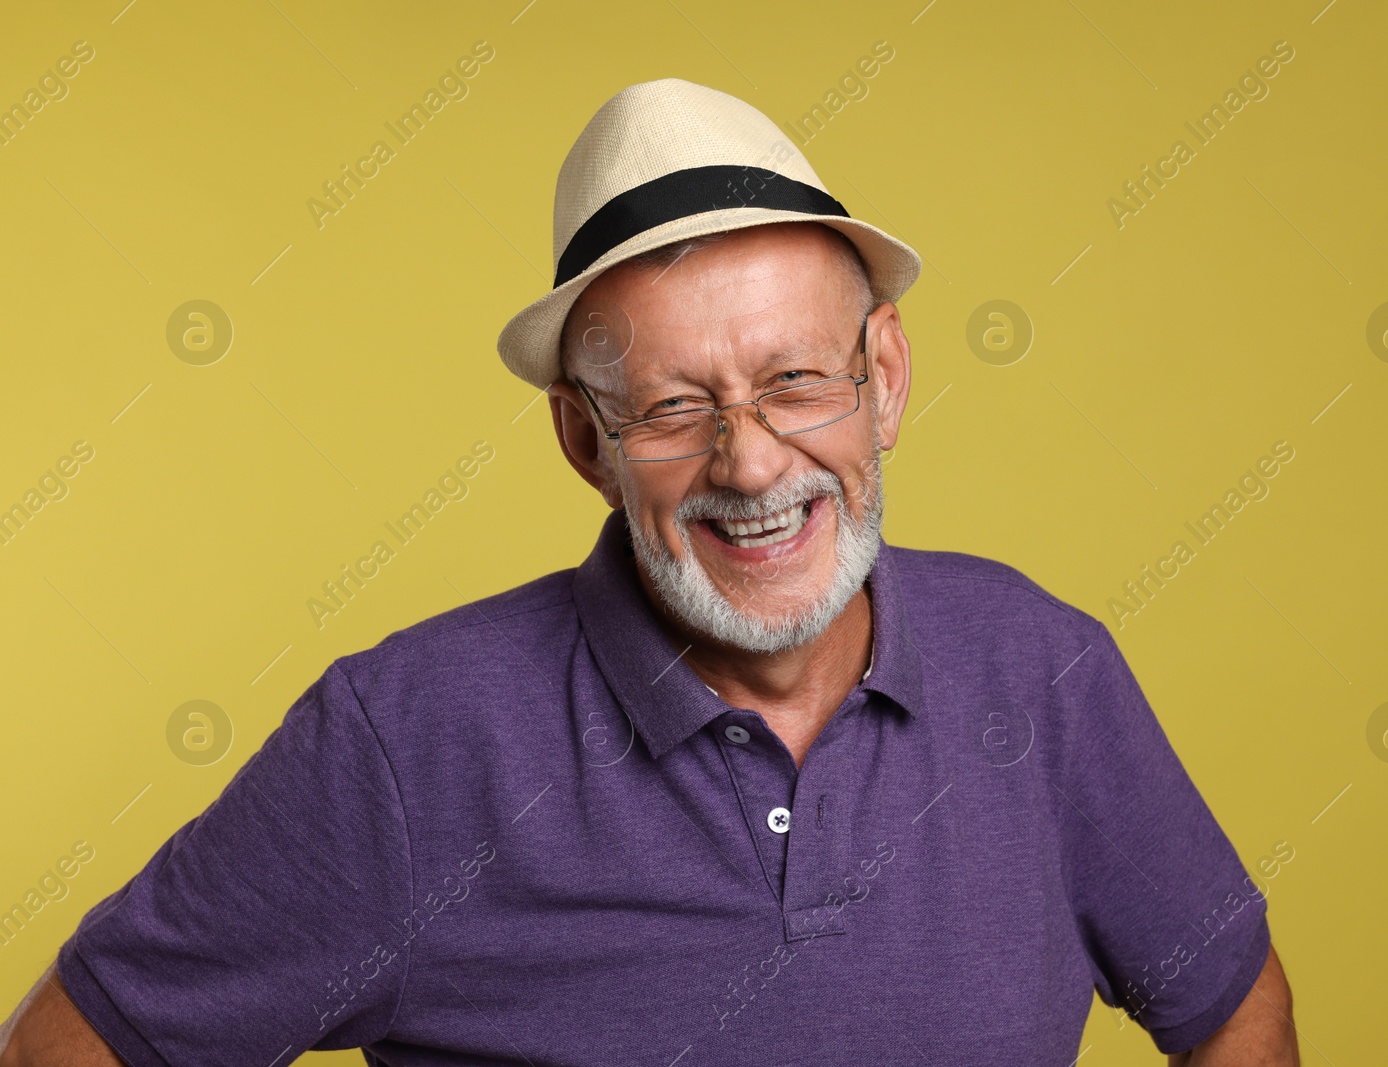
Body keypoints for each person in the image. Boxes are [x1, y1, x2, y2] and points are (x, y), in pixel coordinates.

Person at [1, 78, 1297, 1065]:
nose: (750, 464)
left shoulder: (1041, 665)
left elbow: (1236, 1004)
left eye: (797, 381)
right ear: (585, 439)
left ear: (884, 379)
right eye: (675, 408)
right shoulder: (406, 743)